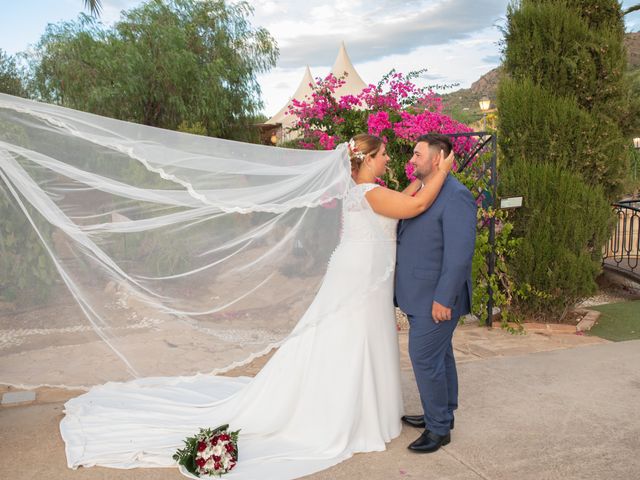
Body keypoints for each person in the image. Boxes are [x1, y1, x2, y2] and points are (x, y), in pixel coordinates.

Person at [59, 133, 454, 480]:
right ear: (367, 159)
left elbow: (405, 199)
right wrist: (444, 170)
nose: (389, 159)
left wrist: (430, 177)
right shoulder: (369, 192)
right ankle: (347, 411)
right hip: (360, 277)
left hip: (363, 273)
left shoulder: (367, 191)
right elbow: (415, 207)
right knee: (350, 339)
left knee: (359, 338)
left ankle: (368, 409)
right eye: (383, 154)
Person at [394, 133, 477, 453]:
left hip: (436, 298)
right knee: (440, 356)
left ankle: (439, 428)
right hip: (418, 294)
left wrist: (444, 298)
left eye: (417, 155)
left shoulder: (456, 195)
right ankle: (443, 412)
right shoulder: (427, 190)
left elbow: (459, 254)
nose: (411, 160)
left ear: (438, 159)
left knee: (424, 357)